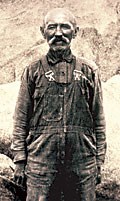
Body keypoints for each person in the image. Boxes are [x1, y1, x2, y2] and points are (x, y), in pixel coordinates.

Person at [11, 8, 106, 201]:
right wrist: (20, 159)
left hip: (82, 163)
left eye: (65, 27)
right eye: (52, 27)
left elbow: (99, 119)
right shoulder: (32, 72)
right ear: (42, 31)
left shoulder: (89, 71)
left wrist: (98, 160)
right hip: (41, 165)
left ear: (76, 32)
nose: (58, 33)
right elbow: (20, 119)